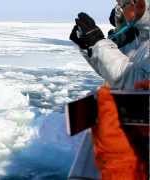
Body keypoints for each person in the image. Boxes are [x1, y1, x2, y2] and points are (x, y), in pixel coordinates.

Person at [69, 0, 149, 179]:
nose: (119, 10)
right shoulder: (139, 37)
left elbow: (136, 83)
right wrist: (88, 45)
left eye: (125, 3)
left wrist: (98, 44)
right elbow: (116, 75)